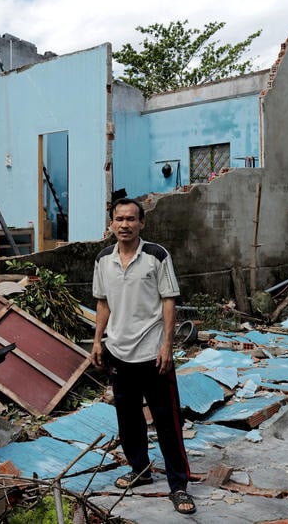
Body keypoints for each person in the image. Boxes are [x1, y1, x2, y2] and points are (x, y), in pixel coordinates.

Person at [90, 197, 196, 515]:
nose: (125, 225)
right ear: (110, 224)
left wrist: (167, 345)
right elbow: (103, 303)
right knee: (129, 419)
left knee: (168, 422)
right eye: (119, 219)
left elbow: (168, 301)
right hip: (118, 352)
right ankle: (140, 470)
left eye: (131, 219)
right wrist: (97, 341)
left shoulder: (156, 256)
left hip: (152, 353)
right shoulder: (103, 260)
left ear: (142, 223)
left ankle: (179, 485)